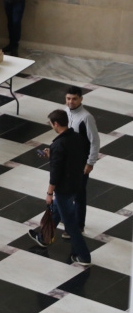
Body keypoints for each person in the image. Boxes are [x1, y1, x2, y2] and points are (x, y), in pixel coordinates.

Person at [29, 110, 90, 265]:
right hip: (77, 182)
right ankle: (44, 237)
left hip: (64, 188)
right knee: (58, 208)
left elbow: (55, 173)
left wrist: (49, 192)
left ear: (55, 123)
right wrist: (54, 154)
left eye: (51, 123)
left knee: (70, 224)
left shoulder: (58, 144)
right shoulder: (77, 138)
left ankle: (84, 256)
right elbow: (75, 158)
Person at [52, 86, 100, 238]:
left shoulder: (86, 117)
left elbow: (95, 142)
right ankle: (62, 219)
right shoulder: (65, 113)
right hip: (68, 162)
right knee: (64, 193)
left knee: (78, 195)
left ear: (81, 99)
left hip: (81, 164)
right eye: (68, 98)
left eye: (74, 99)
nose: (70, 102)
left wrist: (90, 162)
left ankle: (78, 226)